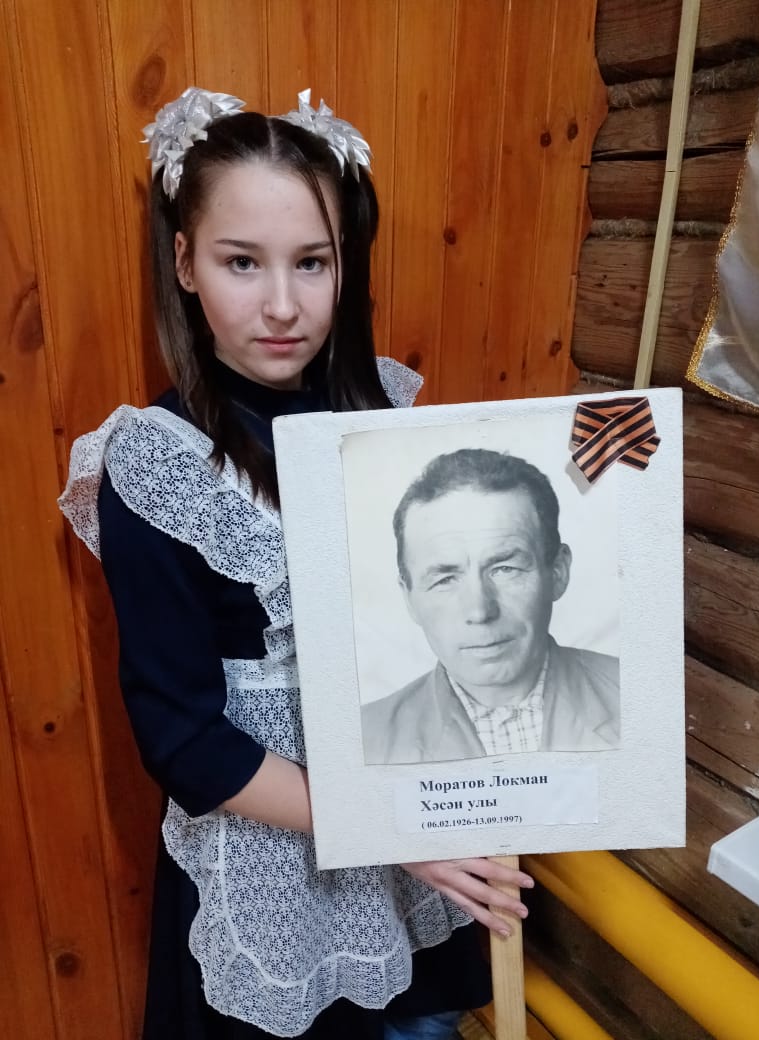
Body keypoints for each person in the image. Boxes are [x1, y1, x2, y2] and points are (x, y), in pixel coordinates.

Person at [58, 88, 534, 1040]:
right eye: (242, 261)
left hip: (424, 846)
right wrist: (388, 825)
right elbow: (183, 739)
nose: (282, 305)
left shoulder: (389, 414)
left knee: (424, 1025)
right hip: (276, 857)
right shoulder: (155, 464)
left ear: (344, 263)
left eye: (312, 262)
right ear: (185, 263)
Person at [361, 448, 620, 765]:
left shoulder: (640, 696)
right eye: (445, 579)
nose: (480, 611)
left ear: (557, 572)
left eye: (505, 569)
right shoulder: (364, 741)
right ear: (409, 597)